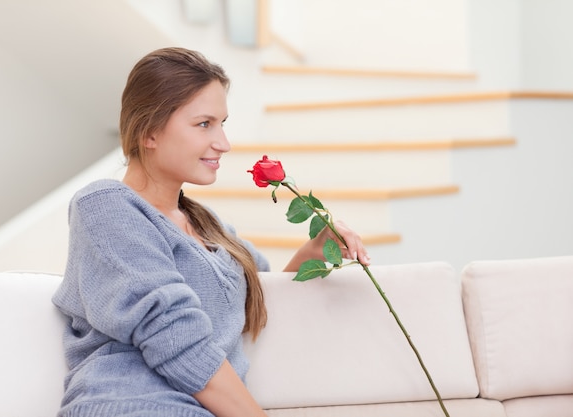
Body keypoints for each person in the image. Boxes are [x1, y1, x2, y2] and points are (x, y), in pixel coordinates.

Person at [52, 47, 370, 417]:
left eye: (223, 123)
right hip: (130, 404)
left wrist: (313, 250)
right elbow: (175, 337)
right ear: (150, 131)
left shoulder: (212, 229)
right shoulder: (106, 206)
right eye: (204, 124)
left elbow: (258, 304)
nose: (223, 143)